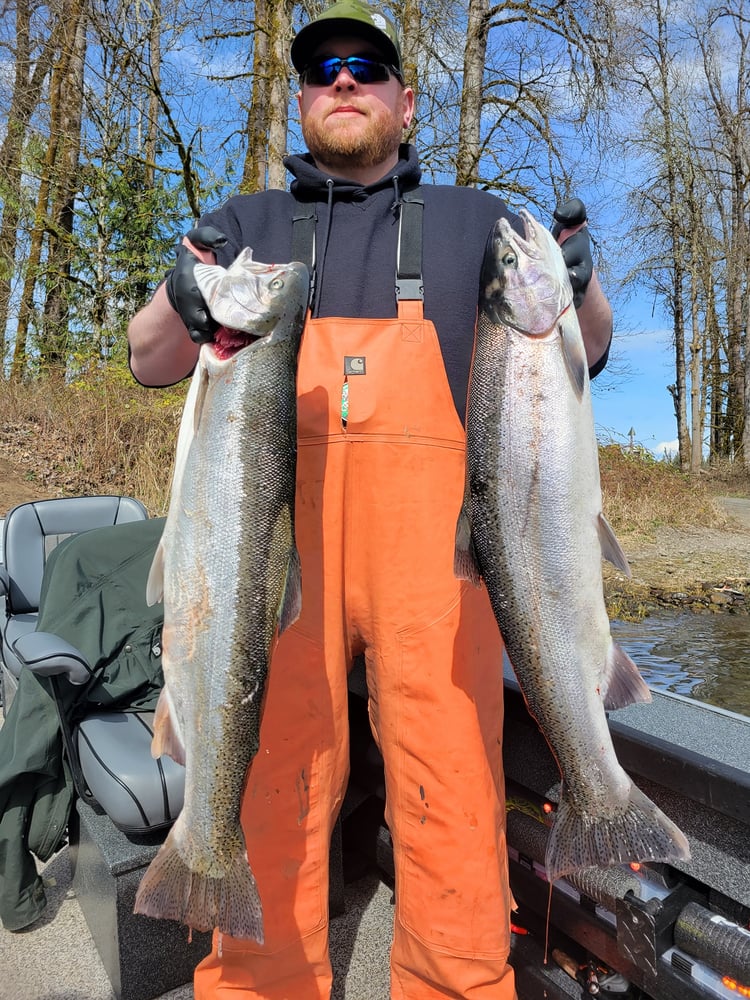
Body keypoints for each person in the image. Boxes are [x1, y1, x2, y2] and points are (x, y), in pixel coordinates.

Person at [128, 2, 613, 997]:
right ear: (302, 99)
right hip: (275, 554)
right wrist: (182, 301)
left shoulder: (480, 221)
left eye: (366, 66)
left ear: (406, 100)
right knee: (270, 778)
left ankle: (458, 983)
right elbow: (149, 359)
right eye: (322, 69)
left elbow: (586, 348)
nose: (342, 81)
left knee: (454, 785)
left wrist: (583, 280)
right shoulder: (244, 226)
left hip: (434, 563)